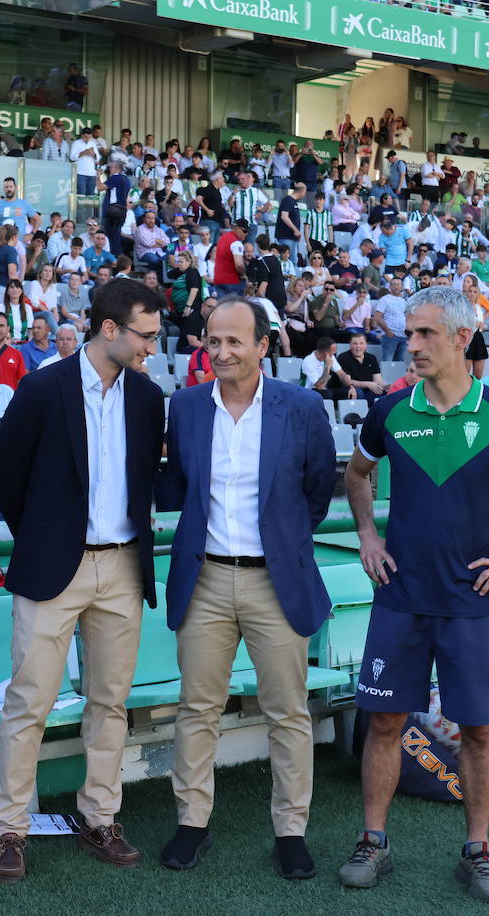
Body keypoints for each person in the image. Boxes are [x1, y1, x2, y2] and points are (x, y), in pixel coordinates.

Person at [341, 286, 489, 904]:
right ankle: (373, 840)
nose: (410, 345)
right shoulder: (390, 412)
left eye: (424, 335)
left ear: (461, 339)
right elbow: (357, 476)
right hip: (401, 597)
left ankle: (477, 851)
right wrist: (368, 536)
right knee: (384, 723)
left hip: (472, 603)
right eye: (408, 334)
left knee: (478, 730)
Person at [0, 279, 165, 884]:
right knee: (29, 701)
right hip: (52, 566)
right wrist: (45, 535)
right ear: (109, 329)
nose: (152, 347)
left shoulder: (148, 397)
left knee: (111, 703)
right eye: (145, 335)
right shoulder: (41, 388)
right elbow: (7, 479)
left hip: (122, 568)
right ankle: (7, 829)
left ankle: (100, 818)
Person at [159, 297, 335, 878]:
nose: (223, 352)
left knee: (287, 712)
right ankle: (192, 822)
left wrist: (281, 544)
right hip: (205, 578)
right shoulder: (184, 407)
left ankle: (291, 830)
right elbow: (181, 486)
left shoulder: (303, 406)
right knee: (197, 709)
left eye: (236, 341)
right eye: (214, 341)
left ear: (264, 345)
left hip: (274, 581)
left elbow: (315, 492)